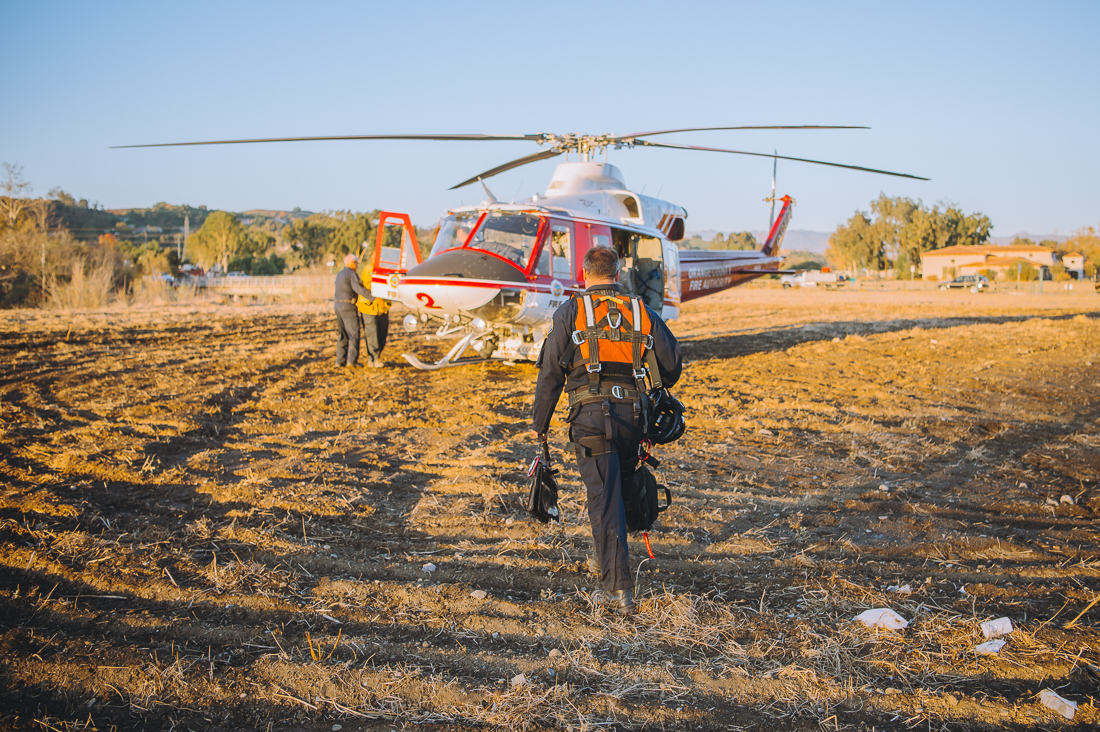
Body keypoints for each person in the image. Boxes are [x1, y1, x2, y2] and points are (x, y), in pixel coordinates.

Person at [532, 246, 682, 616]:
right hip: (634, 419)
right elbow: (673, 364)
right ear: (617, 273)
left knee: (605, 501)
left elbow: (550, 373)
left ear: (584, 274)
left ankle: (617, 589)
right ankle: (606, 560)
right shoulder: (640, 311)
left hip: (590, 422)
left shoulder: (570, 313)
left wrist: (540, 426)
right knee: (622, 490)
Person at [333, 253, 372, 368]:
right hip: (348, 306)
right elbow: (359, 289)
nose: (357, 266)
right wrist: (373, 297)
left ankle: (340, 361)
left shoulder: (339, 274)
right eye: (357, 263)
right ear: (353, 263)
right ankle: (352, 361)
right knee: (354, 334)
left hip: (337, 306)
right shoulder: (351, 274)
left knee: (343, 335)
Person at [356, 257, 391, 368]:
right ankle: (374, 358)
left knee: (382, 332)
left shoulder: (386, 270)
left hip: (382, 308)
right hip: (369, 308)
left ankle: (375, 356)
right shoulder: (369, 269)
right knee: (372, 333)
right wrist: (376, 298)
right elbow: (369, 285)